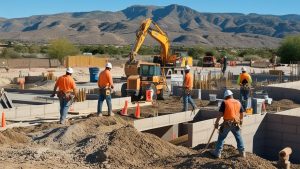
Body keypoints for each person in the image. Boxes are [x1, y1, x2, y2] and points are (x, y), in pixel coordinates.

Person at [210, 90, 245, 158]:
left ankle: (217, 153)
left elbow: (220, 114)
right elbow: (242, 113)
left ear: (225, 97)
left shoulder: (225, 102)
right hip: (236, 123)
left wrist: (216, 122)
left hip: (227, 124)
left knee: (221, 138)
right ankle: (242, 152)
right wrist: (241, 121)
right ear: (232, 95)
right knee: (238, 137)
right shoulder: (238, 102)